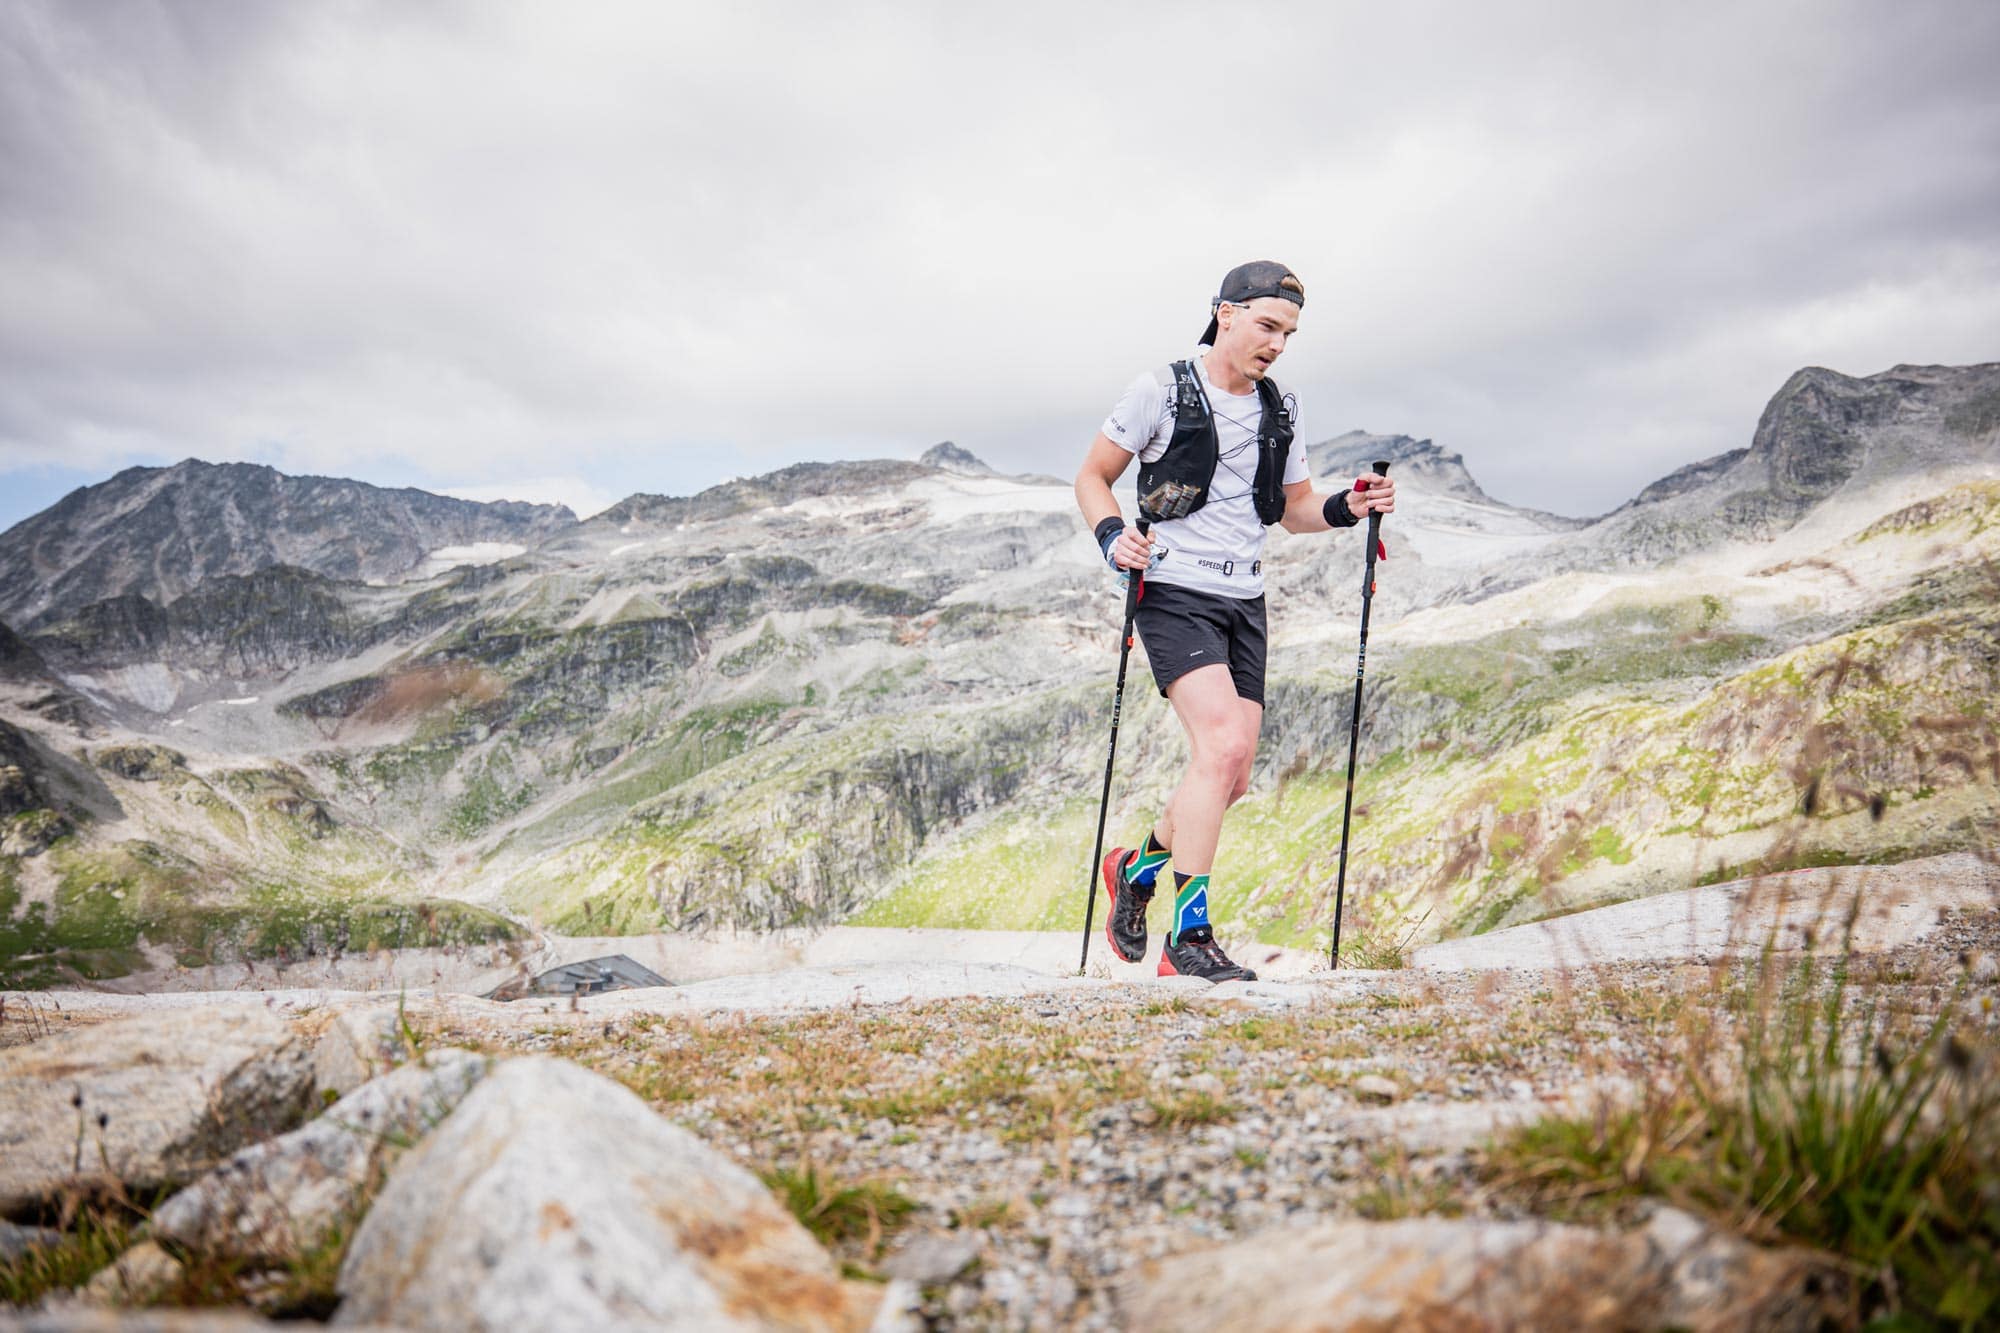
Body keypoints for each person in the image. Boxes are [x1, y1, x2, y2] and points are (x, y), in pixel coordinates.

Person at [1073, 260, 1397, 982]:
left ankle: (1136, 868)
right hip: (1172, 588)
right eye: (1267, 326)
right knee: (1218, 747)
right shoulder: (1158, 389)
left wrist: (1351, 504)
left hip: (1243, 601)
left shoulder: (1282, 407)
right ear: (1225, 313)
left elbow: (1293, 508)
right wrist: (1110, 535)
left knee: (1233, 774)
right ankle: (1188, 939)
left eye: (1288, 333)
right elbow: (1093, 476)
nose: (1278, 344)